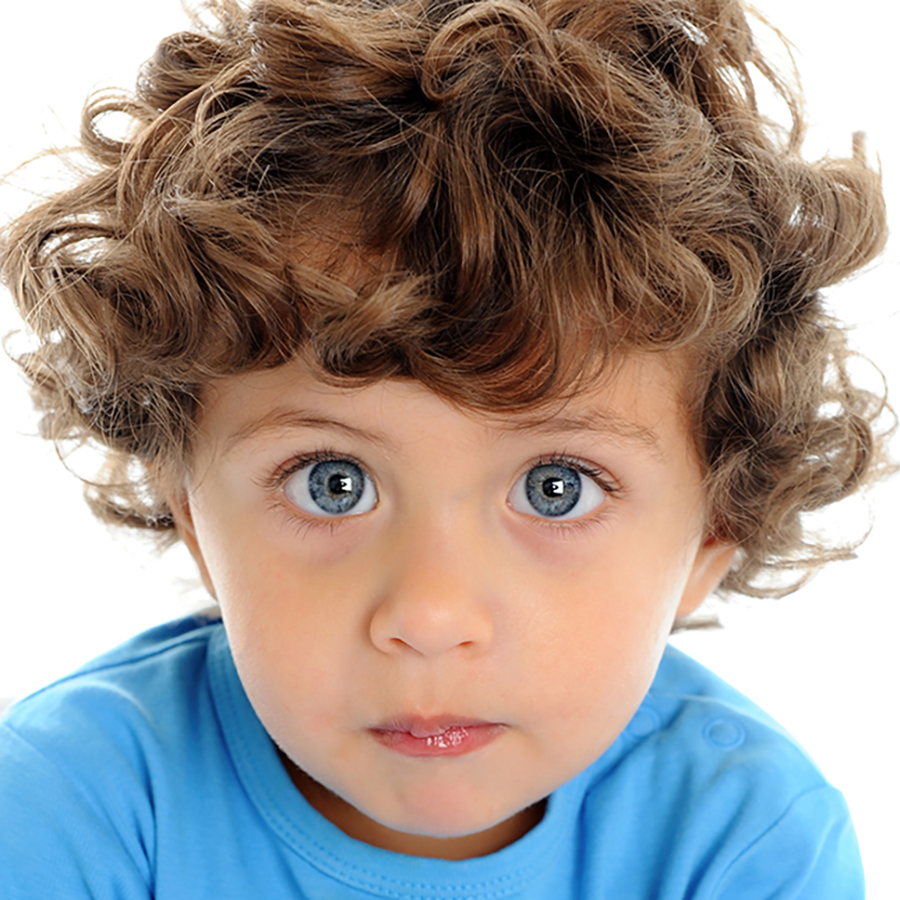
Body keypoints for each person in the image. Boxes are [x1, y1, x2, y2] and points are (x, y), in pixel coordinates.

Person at [0, 0, 891, 895]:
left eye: (556, 488)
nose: (429, 618)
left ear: (713, 532)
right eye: (332, 483)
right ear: (191, 511)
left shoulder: (747, 840)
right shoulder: (68, 809)